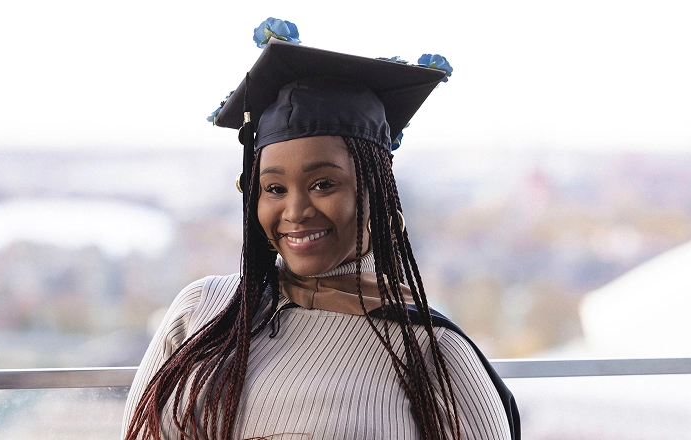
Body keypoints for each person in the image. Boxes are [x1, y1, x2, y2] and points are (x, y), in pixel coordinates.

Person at [123, 18, 519, 440]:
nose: (295, 210)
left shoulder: (432, 352)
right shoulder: (202, 311)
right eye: (274, 188)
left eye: (323, 184)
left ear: (375, 192)